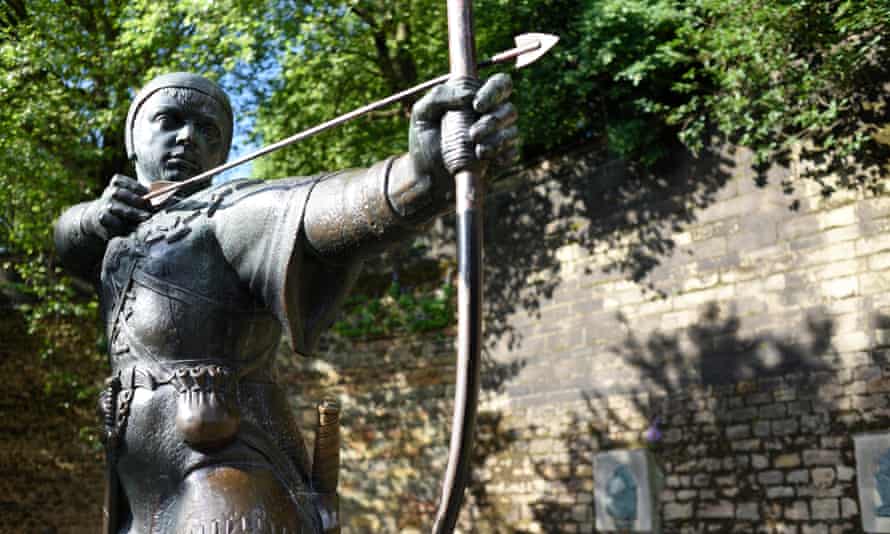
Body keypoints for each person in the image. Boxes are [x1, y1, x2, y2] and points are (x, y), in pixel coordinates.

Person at [53, 72, 517, 533]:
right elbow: (65, 241)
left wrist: (422, 174)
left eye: (208, 130)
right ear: (134, 138)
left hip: (224, 469)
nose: (188, 136)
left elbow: (329, 207)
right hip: (142, 476)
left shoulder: (232, 214)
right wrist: (95, 216)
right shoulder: (114, 231)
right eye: (169, 120)